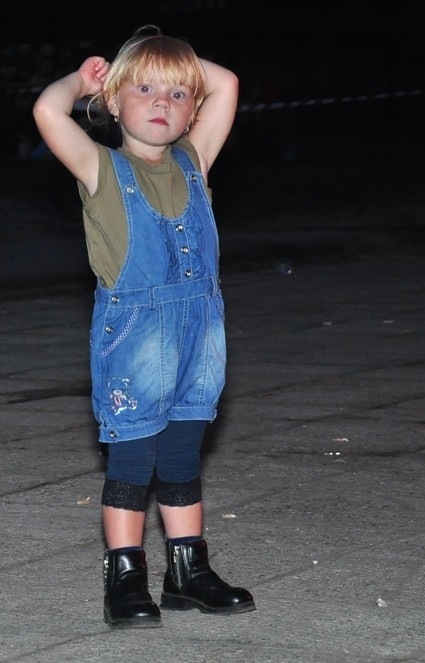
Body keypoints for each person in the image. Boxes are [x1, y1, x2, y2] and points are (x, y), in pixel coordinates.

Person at [33, 25, 256, 629]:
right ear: (113, 101)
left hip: (198, 339)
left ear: (193, 111)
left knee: (182, 454)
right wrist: (84, 80)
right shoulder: (101, 168)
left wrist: (169, 61)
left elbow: (227, 82)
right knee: (133, 461)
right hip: (134, 341)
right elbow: (48, 111)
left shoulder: (194, 160)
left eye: (179, 94)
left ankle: (188, 573)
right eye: (145, 90)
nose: (162, 103)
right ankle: (125, 577)